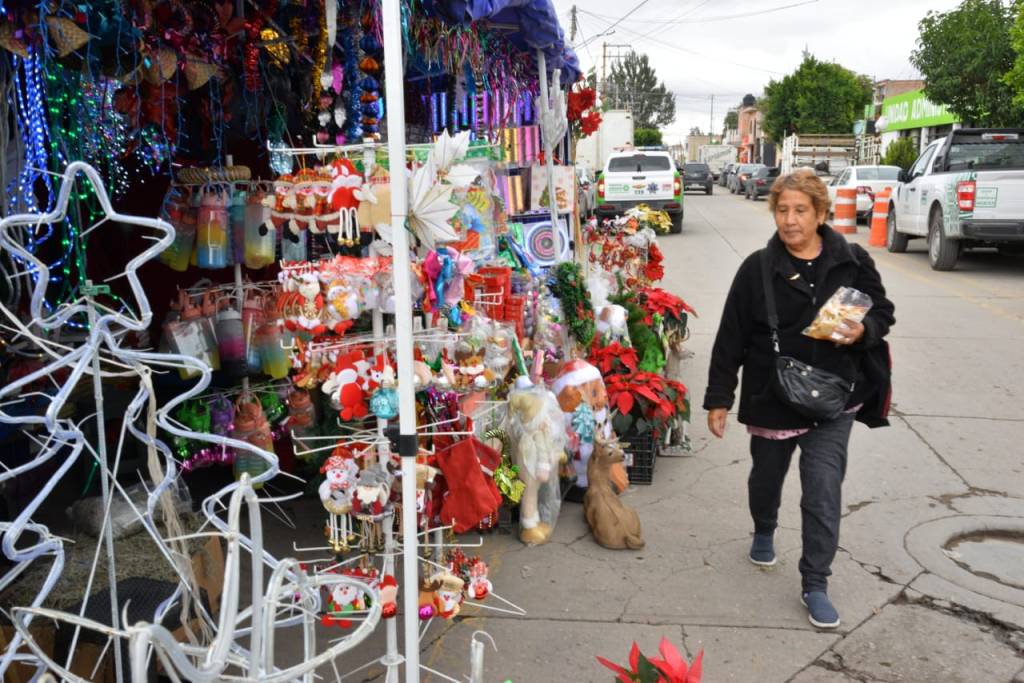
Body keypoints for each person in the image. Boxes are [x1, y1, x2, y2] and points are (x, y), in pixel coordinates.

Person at [703, 169, 895, 629]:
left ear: (821, 213)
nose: (790, 221)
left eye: (800, 211)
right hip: (774, 396)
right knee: (765, 479)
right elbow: (731, 335)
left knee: (823, 492)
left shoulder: (852, 260)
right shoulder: (757, 268)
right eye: (782, 210)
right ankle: (764, 526)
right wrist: (718, 398)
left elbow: (883, 311)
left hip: (835, 397)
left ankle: (815, 583)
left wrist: (862, 331)